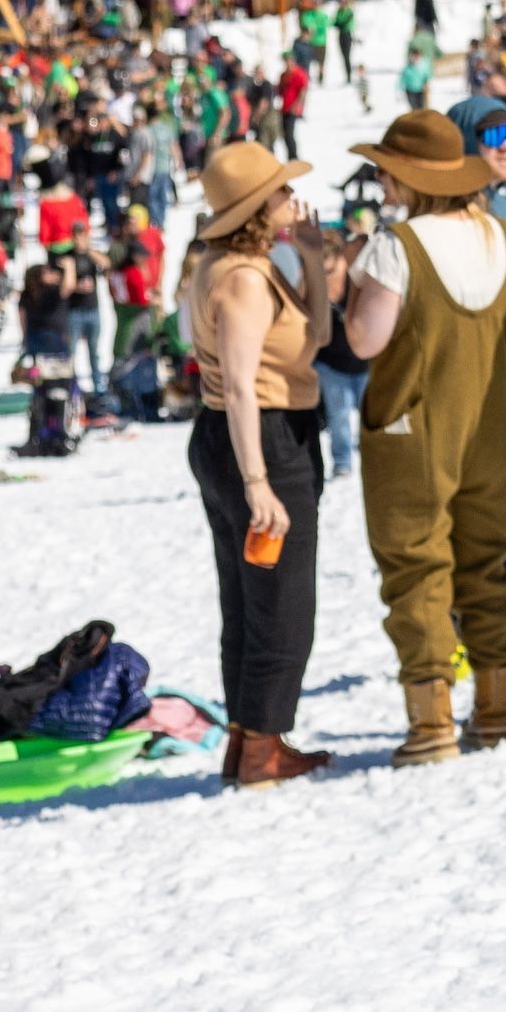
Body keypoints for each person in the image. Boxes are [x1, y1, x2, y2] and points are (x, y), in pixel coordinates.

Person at [338, 107, 506, 765]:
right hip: (491, 429)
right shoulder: (503, 236)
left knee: (418, 570)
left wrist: (347, 287)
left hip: (413, 431)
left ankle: (432, 726)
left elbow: (366, 340)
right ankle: (497, 711)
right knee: (486, 568)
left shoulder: (397, 245)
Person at [179, 141, 329, 787]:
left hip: (236, 434)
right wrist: (258, 482)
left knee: (245, 596)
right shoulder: (243, 279)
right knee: (280, 600)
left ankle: (248, 739)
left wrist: (317, 266)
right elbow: (241, 384)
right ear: (254, 209)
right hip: (260, 438)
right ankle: (262, 749)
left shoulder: (229, 264)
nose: (293, 198)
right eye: (281, 191)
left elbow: (317, 338)